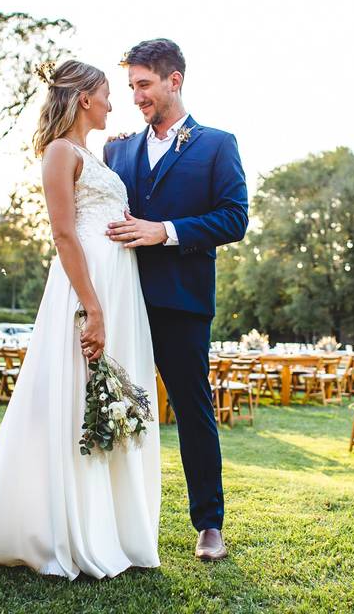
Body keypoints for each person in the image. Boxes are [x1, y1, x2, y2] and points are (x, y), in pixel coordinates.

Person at [0, 61, 161, 580]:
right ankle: (51, 529)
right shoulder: (60, 152)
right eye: (106, 94)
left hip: (119, 287)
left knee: (107, 399)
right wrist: (93, 307)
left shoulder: (94, 153)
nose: (112, 102)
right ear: (84, 99)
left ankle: (109, 529)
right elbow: (64, 235)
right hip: (87, 290)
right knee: (74, 400)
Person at [104, 39, 248, 562]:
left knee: (192, 410)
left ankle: (209, 524)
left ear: (174, 80)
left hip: (182, 303)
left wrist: (163, 230)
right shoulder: (115, 150)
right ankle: (107, 517)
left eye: (144, 84)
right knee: (111, 403)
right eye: (132, 86)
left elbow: (235, 219)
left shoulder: (217, 145)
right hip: (120, 298)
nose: (136, 96)